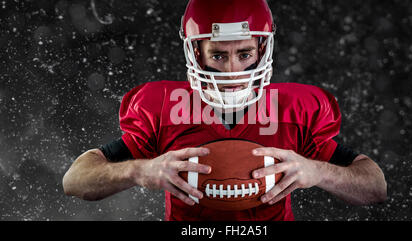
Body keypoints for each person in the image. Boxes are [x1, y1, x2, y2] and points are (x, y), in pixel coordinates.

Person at [62, 0, 387, 221]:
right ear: (196, 53)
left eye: (244, 54)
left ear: (262, 48)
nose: (233, 71)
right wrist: (139, 171)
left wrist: (318, 171)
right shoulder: (162, 106)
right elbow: (75, 180)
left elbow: (375, 187)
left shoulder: (294, 109)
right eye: (218, 56)